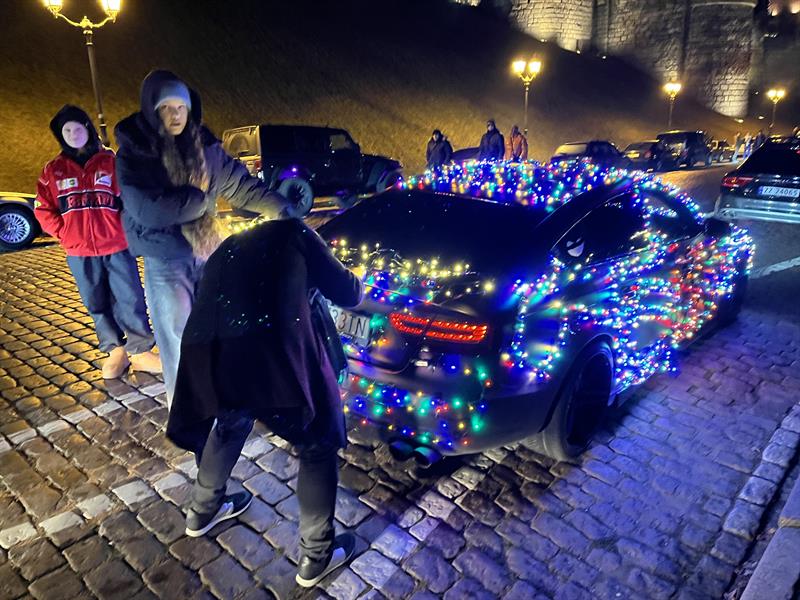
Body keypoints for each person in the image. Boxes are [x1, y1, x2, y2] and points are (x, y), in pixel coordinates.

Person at [166, 218, 363, 587]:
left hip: (210, 352)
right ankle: (317, 555)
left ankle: (202, 510)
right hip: (266, 353)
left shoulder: (231, 246)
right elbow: (350, 293)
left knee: (230, 423)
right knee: (318, 442)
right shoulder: (299, 233)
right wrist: (355, 273)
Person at [114, 70, 294, 407]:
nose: (175, 115)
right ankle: (187, 412)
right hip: (166, 259)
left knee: (218, 330)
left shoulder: (207, 149)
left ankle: (222, 399)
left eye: (181, 107)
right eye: (166, 107)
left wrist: (282, 209)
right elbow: (146, 209)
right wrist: (196, 202)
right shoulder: (136, 153)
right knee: (178, 339)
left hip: (208, 251)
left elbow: (241, 185)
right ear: (151, 109)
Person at [34, 105, 161, 379]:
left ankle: (140, 350)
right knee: (95, 300)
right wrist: (65, 233)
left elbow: (129, 200)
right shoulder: (53, 171)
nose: (73, 134)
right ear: (60, 135)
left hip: (116, 245)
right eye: (67, 130)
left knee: (129, 296)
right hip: (79, 250)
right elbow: (43, 209)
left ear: (88, 129)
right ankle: (115, 349)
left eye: (78, 128)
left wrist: (125, 229)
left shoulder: (110, 162)